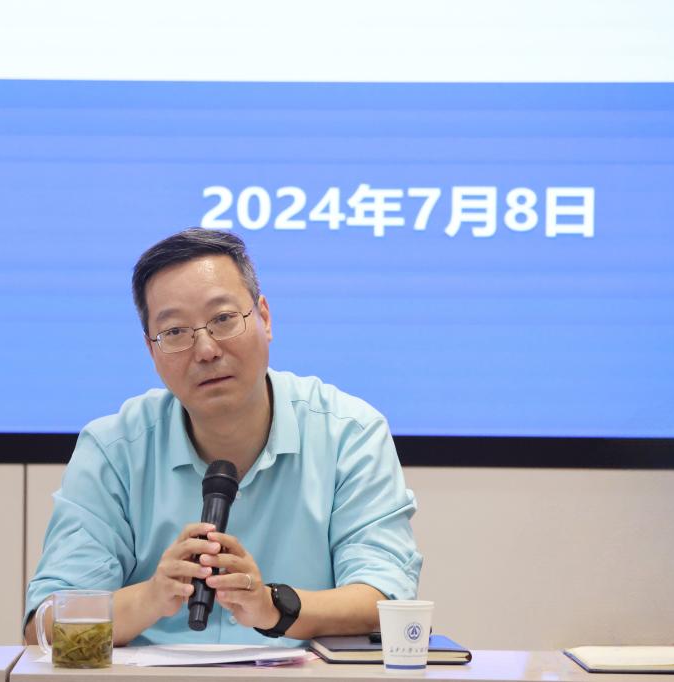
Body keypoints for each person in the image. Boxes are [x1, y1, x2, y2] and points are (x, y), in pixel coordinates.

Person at [24, 228, 422, 646]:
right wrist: (150, 597)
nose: (206, 350)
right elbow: (43, 626)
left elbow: (385, 600)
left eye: (223, 319)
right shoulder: (113, 450)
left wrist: (274, 607)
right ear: (151, 351)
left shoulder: (349, 434)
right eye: (175, 332)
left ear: (264, 318)